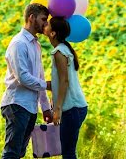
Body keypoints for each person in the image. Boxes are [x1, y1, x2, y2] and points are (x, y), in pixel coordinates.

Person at [0, 3, 54, 159]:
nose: (46, 24)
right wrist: (47, 85)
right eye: (43, 19)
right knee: (12, 152)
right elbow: (23, 77)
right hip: (17, 103)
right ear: (31, 18)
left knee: (19, 153)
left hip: (30, 106)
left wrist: (45, 107)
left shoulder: (36, 45)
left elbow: (39, 77)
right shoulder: (19, 43)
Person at [45, 15, 88, 159]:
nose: (45, 25)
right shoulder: (64, 49)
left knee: (68, 152)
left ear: (53, 33)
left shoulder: (59, 52)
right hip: (76, 107)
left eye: (48, 24)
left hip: (72, 108)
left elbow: (64, 81)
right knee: (68, 151)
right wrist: (40, 84)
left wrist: (57, 109)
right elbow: (60, 82)